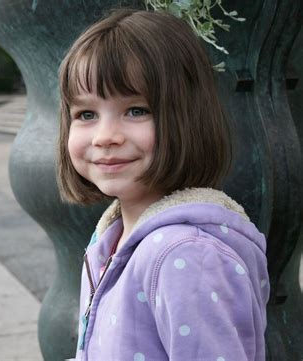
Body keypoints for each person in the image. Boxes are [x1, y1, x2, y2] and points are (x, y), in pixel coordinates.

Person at [57, 9, 269, 361]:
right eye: (86, 114)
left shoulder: (184, 254)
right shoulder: (113, 236)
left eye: (136, 110)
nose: (105, 137)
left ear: (187, 116)